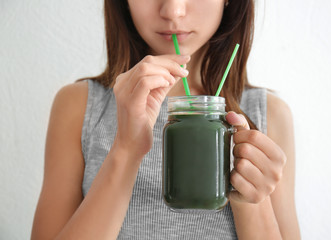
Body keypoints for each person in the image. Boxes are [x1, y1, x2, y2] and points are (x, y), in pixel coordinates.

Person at [31, 0, 301, 239]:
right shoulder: (78, 105)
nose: (173, 10)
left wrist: (250, 199)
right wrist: (126, 149)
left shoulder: (268, 114)